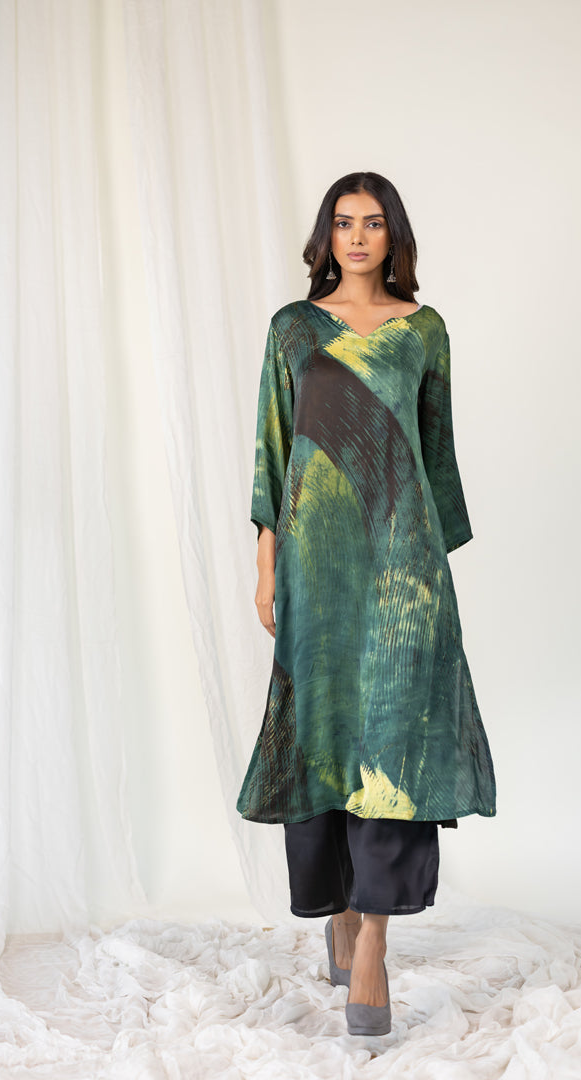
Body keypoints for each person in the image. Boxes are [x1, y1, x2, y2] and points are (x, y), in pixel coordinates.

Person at [236, 171, 497, 1038]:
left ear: (394, 237)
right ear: (326, 236)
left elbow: (435, 453)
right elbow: (273, 450)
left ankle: (375, 942)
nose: (356, 236)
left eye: (373, 222)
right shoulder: (292, 328)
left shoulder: (424, 330)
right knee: (325, 734)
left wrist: (427, 570)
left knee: (395, 744)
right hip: (314, 569)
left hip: (402, 572)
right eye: (343, 222)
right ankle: (339, 910)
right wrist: (266, 567)